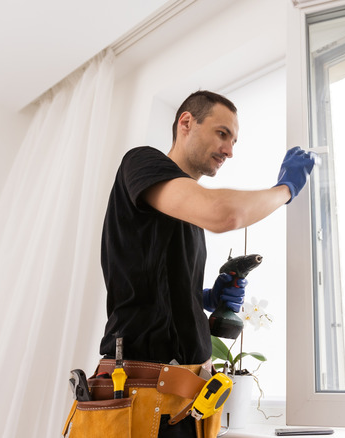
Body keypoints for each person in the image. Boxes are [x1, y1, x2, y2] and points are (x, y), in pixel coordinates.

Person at [95, 90, 315, 437]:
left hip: (188, 401)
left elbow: (156, 286)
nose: (229, 149)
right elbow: (223, 214)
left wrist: (206, 297)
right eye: (222, 133)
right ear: (186, 123)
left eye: (234, 140)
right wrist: (286, 188)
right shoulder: (141, 162)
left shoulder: (185, 215)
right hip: (144, 391)